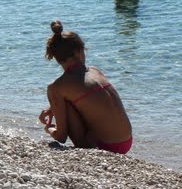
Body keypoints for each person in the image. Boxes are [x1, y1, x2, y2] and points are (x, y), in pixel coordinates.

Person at [38, 20, 132, 154]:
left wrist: (49, 128)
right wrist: (53, 107)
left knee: (65, 100)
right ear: (79, 52)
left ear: (56, 57)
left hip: (104, 147)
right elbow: (90, 96)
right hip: (126, 141)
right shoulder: (95, 71)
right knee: (72, 100)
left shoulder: (56, 87)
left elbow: (61, 136)